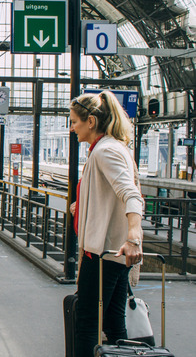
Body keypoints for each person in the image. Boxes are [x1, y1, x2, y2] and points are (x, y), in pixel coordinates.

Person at [68, 91, 144, 357]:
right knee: (113, 324)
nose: (72, 127)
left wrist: (133, 237)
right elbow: (111, 196)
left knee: (86, 323)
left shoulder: (104, 151)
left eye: (75, 121)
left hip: (101, 256)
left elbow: (131, 194)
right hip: (114, 255)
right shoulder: (111, 147)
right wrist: (83, 207)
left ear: (91, 121)